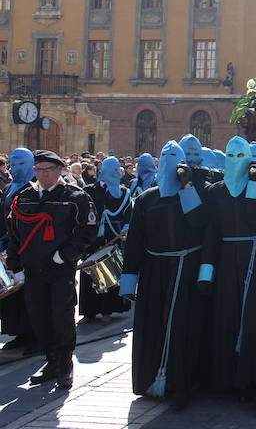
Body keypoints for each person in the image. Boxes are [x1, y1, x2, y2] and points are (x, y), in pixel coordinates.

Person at [198, 136, 256, 412]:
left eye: (241, 156)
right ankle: (234, 380)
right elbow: (211, 233)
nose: (237, 161)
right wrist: (206, 272)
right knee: (229, 317)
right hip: (226, 261)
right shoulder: (216, 192)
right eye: (231, 156)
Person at [119, 141, 208, 409]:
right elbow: (134, 241)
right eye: (166, 157)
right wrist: (128, 281)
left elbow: (200, 223)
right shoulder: (147, 199)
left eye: (176, 158)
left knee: (184, 327)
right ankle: (151, 379)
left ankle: (182, 384)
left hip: (186, 268)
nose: (171, 163)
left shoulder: (195, 193)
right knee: (154, 325)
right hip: (155, 270)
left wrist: (188, 187)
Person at [5, 150, 98, 390]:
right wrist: (15, 266)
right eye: (39, 170)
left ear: (60, 170)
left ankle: (65, 363)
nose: (43, 174)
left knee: (62, 316)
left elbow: (87, 231)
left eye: (48, 169)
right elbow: (14, 234)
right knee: (38, 316)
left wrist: (64, 255)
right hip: (32, 270)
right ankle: (51, 360)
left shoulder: (74, 197)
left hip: (59, 270)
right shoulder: (24, 197)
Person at [80, 157, 132, 324]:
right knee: (89, 276)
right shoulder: (90, 190)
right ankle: (89, 312)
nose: (116, 173)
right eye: (112, 169)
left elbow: (128, 214)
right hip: (92, 239)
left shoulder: (124, 193)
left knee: (109, 276)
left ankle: (107, 310)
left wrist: (126, 226)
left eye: (118, 169)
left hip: (113, 238)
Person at [0, 148, 37, 354]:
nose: (15, 167)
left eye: (20, 163)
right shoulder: (8, 188)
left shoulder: (35, 188)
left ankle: (35, 335)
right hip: (9, 248)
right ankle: (19, 332)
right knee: (13, 295)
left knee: (31, 295)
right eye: (13, 163)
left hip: (29, 248)